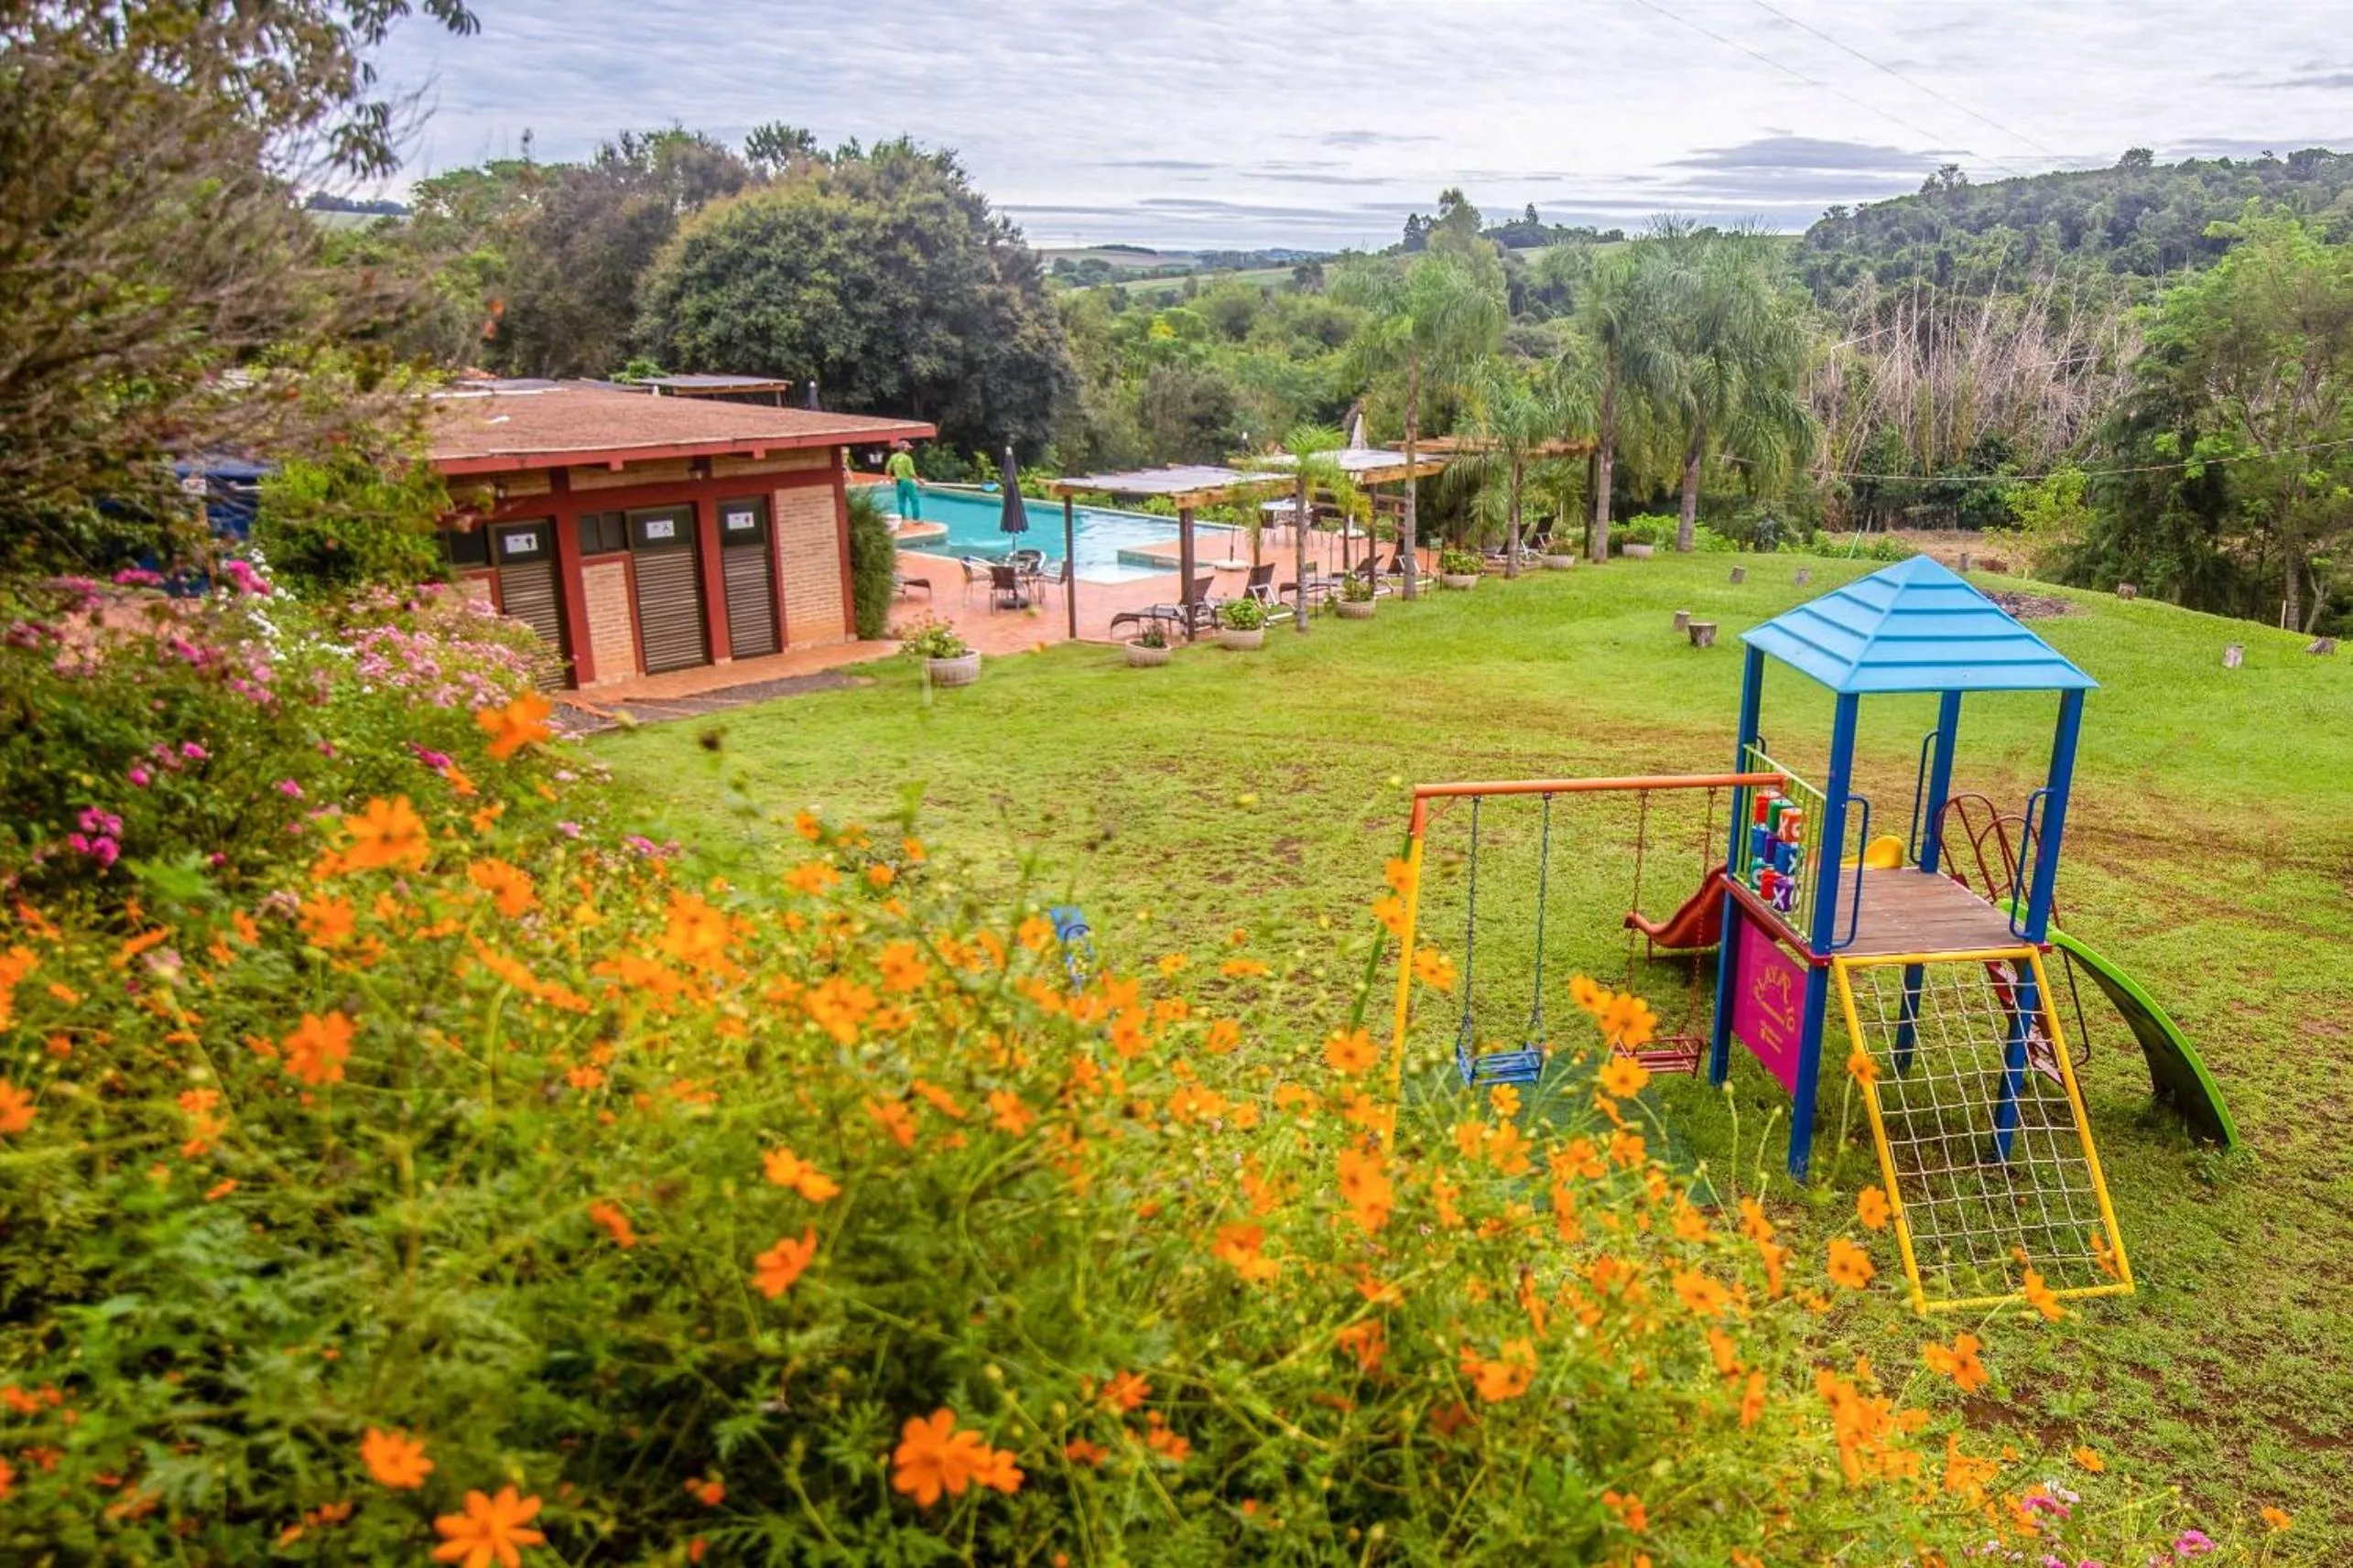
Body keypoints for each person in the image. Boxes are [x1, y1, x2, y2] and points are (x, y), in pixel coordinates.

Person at [885, 442, 921, 522]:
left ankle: (903, 519)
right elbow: (911, 473)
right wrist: (920, 481)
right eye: (908, 448)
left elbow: (887, 469)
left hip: (899, 482)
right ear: (904, 448)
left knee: (901, 502)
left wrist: (890, 479)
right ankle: (916, 519)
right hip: (907, 482)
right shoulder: (907, 458)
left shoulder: (893, 457)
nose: (908, 449)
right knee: (915, 500)